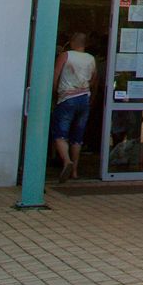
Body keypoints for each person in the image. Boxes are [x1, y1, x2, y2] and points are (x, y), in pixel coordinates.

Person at [51, 32, 96, 182]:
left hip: (67, 98)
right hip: (84, 98)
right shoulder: (91, 58)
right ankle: (75, 171)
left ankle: (66, 161)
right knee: (77, 137)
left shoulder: (65, 55)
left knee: (60, 133)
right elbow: (94, 79)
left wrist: (54, 94)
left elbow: (56, 75)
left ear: (71, 42)